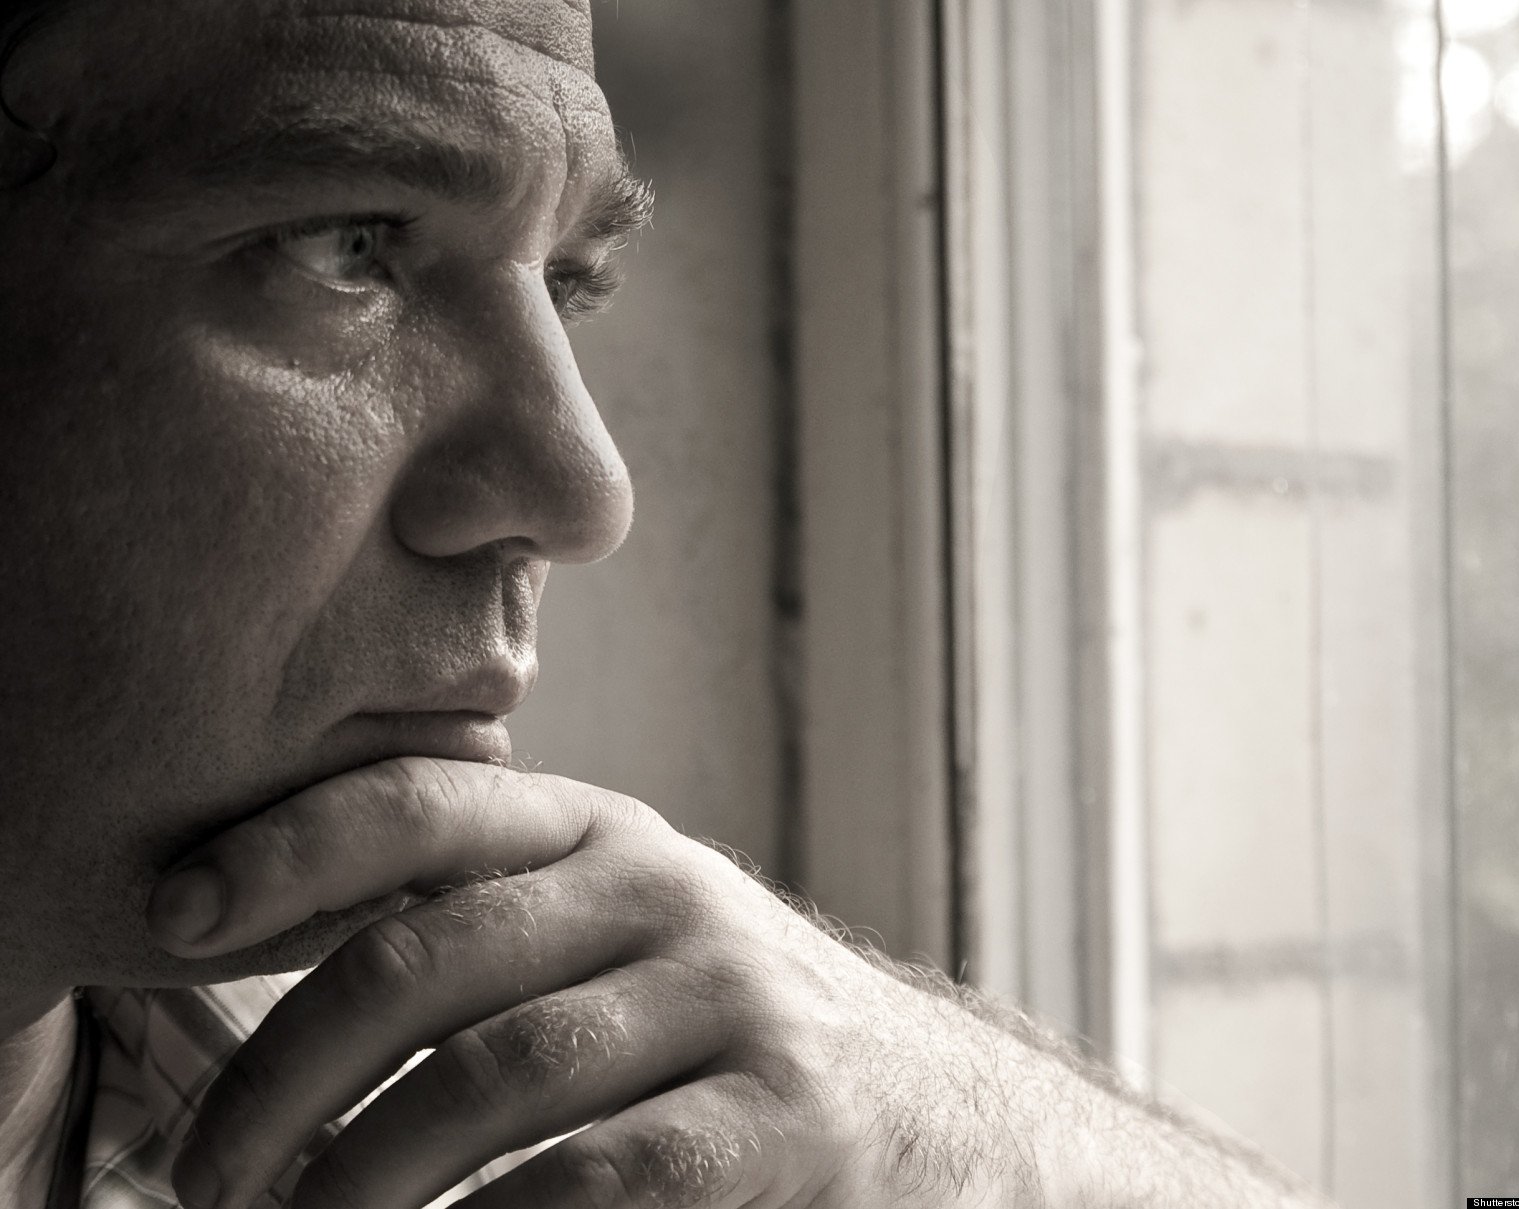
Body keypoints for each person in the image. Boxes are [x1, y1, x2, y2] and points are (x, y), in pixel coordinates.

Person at [0, 1, 1333, 1205]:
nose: (588, 489)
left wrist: (962, 1126)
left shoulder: (483, 1123)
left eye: (566, 284)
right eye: (345, 247)